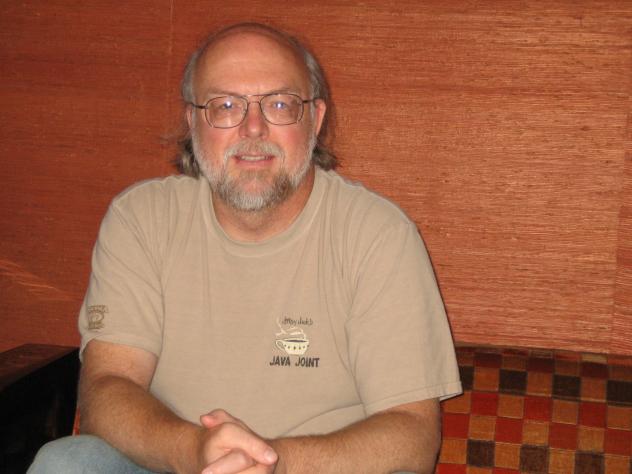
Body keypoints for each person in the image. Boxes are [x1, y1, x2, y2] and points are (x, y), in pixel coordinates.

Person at [29, 22, 461, 474]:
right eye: (226, 105)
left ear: (314, 120)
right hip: (174, 464)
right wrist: (195, 450)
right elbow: (107, 388)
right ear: (193, 122)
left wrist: (272, 462)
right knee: (66, 463)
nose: (253, 128)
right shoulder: (141, 219)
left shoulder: (378, 235)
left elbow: (413, 434)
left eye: (279, 104)